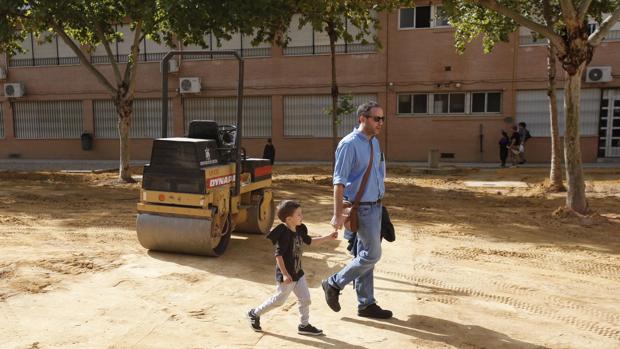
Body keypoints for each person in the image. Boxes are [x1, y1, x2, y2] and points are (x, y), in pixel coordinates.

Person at [321, 101, 392, 319]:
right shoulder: (349, 144)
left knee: (365, 256)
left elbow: (377, 175)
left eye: (382, 118)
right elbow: (338, 182)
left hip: (376, 207)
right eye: (376, 118)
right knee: (372, 254)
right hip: (360, 209)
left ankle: (366, 304)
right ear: (362, 118)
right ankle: (334, 283)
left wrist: (382, 207)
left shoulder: (374, 143)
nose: (380, 122)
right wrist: (337, 214)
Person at [247, 200, 337, 335]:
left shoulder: (300, 230)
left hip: (298, 273)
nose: (302, 217)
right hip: (287, 276)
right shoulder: (284, 234)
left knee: (305, 298)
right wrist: (284, 274)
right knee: (279, 300)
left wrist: (328, 238)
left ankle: (304, 325)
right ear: (289, 219)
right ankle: (254, 313)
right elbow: (278, 256)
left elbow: (311, 241)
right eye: (299, 215)